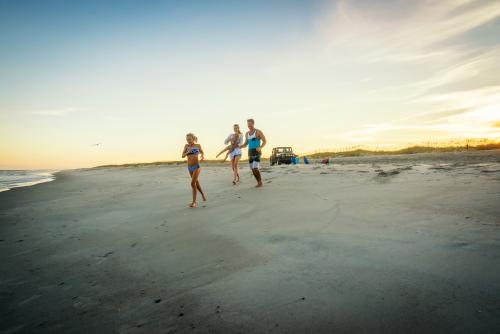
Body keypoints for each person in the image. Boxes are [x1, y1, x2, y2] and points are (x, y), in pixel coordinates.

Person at [181, 133, 207, 208]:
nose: (188, 141)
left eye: (189, 139)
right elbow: (182, 156)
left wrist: (202, 156)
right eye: (187, 139)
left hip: (197, 166)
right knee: (196, 182)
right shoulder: (186, 146)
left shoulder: (198, 145)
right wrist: (187, 152)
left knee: (192, 183)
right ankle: (203, 195)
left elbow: (202, 152)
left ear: (193, 139)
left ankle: (194, 202)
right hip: (189, 167)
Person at [240, 118, 267, 187]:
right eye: (248, 124)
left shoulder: (258, 132)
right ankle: (258, 182)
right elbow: (246, 144)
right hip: (250, 152)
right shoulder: (247, 134)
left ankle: (260, 182)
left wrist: (260, 147)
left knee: (255, 168)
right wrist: (241, 146)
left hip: (257, 151)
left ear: (253, 123)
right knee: (252, 168)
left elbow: (264, 141)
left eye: (250, 124)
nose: (249, 125)